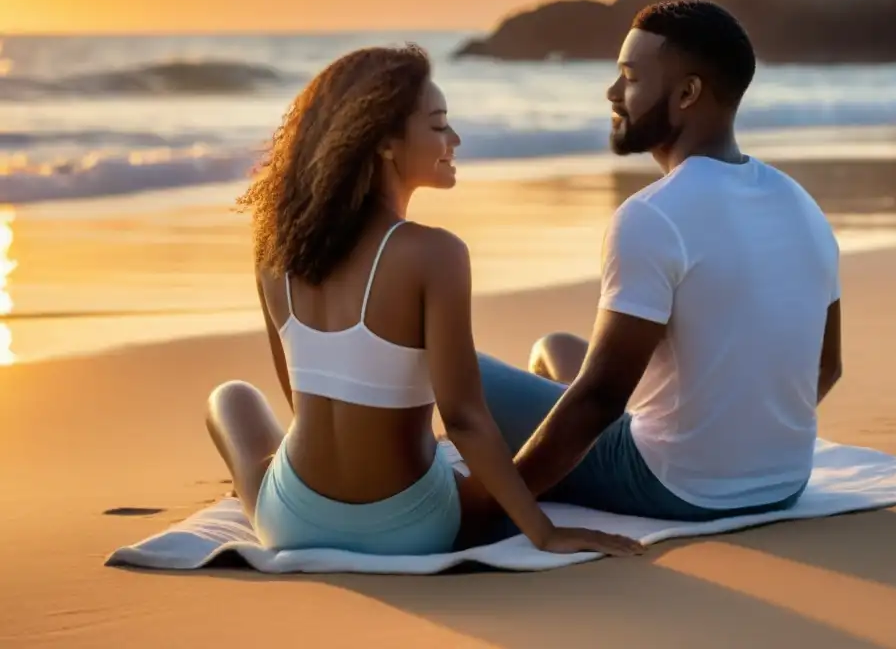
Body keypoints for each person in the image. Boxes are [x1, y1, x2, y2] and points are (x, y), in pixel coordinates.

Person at [205, 44, 643, 557]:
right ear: (386, 142)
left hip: (293, 521)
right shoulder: (435, 254)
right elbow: (465, 419)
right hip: (411, 526)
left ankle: (266, 481)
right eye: (438, 126)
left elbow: (300, 402)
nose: (454, 140)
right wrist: (542, 532)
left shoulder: (273, 248)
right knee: (502, 461)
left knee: (232, 400)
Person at [465, 0, 843, 531]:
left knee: (436, 357)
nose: (613, 94)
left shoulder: (652, 216)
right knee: (554, 349)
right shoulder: (802, 204)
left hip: (675, 487)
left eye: (630, 77)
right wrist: (749, 443)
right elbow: (826, 368)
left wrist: (494, 512)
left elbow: (599, 402)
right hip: (785, 482)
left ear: (687, 93)